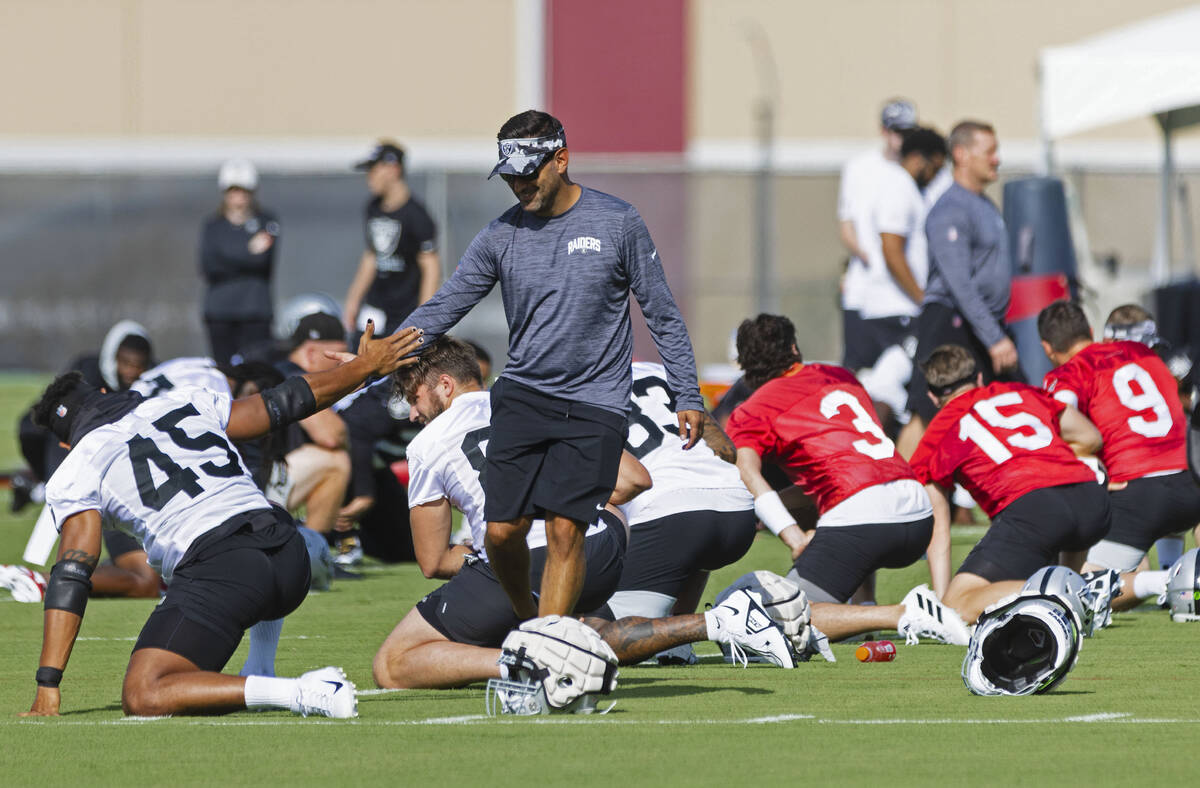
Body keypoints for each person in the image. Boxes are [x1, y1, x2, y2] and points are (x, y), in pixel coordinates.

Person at [21, 322, 422, 718]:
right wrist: (365, 368)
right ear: (106, 393)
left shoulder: (78, 465)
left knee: (145, 692)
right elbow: (285, 402)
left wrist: (48, 683)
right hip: (289, 555)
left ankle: (304, 692)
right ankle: (263, 659)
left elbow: (73, 570)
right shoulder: (182, 401)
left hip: (227, 569)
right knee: (257, 514)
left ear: (65, 442)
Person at [398, 110, 705, 622]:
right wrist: (382, 352)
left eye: (529, 172)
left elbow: (662, 314)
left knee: (566, 529)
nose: (519, 185)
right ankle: (527, 615)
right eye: (511, 176)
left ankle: (548, 642)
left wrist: (689, 395)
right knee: (501, 531)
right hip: (522, 396)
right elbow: (446, 305)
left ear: (561, 159)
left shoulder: (618, 221)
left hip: (595, 403)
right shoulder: (500, 235)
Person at [371, 338, 792, 689]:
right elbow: (633, 480)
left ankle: (532, 661)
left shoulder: (426, 445)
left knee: (392, 664)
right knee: (578, 623)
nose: (411, 412)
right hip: (604, 544)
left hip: (531, 557)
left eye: (414, 397)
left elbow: (433, 562)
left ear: (444, 385)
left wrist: (483, 553)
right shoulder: (536, 404)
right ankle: (558, 642)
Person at [724, 315, 969, 645]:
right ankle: (864, 606)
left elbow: (746, 470)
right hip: (916, 512)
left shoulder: (753, 409)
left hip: (864, 518)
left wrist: (794, 536)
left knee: (784, 619)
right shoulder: (839, 375)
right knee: (833, 496)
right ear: (794, 349)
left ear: (744, 366)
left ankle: (902, 613)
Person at [908, 344, 1110, 622]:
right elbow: (1090, 437)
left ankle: (1076, 592)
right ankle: (1077, 587)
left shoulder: (939, 431)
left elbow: (938, 524)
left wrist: (943, 607)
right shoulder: (1022, 391)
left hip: (1035, 509)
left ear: (932, 396)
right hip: (1090, 498)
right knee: (1035, 566)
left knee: (959, 603)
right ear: (979, 378)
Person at [587, 361, 757, 661]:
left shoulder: (569, 385)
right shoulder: (657, 370)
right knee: (688, 547)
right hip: (737, 509)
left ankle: (725, 621)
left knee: (598, 637)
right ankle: (677, 641)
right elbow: (726, 449)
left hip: (670, 517)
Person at [1038, 300, 1200, 610]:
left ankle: (1168, 582)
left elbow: (1060, 418)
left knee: (1076, 590)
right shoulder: (1144, 353)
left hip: (1139, 492)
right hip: (1191, 480)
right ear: (1089, 331)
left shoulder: (1070, 371)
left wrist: (1089, 471)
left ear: (1047, 348)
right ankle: (1181, 571)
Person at [907, 120, 1020, 428]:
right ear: (961, 154)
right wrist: (995, 339)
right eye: (990, 151)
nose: (997, 158)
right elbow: (959, 284)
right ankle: (898, 476)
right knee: (930, 416)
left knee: (1012, 404)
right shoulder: (951, 209)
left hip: (982, 327)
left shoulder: (983, 205)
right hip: (951, 323)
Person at [855, 126, 948, 433]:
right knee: (886, 388)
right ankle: (867, 457)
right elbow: (891, 249)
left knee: (894, 389)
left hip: (898, 308)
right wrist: (922, 299)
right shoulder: (899, 187)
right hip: (895, 311)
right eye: (937, 166)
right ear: (923, 159)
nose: (936, 174)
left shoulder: (908, 189)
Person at [14, 321, 153, 513]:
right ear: (112, 358)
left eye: (139, 365)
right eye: (126, 363)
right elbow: (56, 410)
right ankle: (43, 481)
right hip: (74, 439)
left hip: (124, 452)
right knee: (30, 427)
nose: (131, 371)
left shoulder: (154, 380)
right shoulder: (85, 371)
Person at [837, 99, 918, 373]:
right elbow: (847, 224)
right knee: (858, 369)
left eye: (907, 132)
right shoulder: (860, 168)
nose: (900, 139)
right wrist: (872, 258)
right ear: (884, 131)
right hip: (865, 289)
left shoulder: (915, 170)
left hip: (901, 296)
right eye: (896, 131)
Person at [272, 312, 354, 542]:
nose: (343, 365)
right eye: (337, 356)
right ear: (310, 353)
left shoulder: (273, 370)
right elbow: (330, 435)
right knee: (335, 461)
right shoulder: (292, 376)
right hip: (246, 489)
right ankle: (313, 553)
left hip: (216, 482)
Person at [343, 141, 439, 336]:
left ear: (393, 169)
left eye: (373, 170)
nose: (369, 178)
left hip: (405, 310)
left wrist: (424, 316)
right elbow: (372, 255)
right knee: (361, 357)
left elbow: (430, 267)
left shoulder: (417, 216)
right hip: (375, 306)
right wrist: (353, 300)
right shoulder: (372, 208)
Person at [200, 159, 280, 365]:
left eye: (244, 191)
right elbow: (209, 266)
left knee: (257, 371)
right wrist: (247, 251)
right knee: (225, 374)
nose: (239, 197)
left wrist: (227, 256)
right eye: (233, 191)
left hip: (255, 311)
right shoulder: (213, 226)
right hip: (220, 313)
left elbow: (262, 261)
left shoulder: (267, 221)